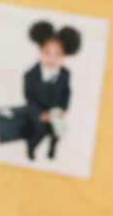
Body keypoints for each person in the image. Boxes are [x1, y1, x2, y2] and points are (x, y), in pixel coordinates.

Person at [24, 21, 82, 160]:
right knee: (38, 134)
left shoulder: (65, 73)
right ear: (39, 50)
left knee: (57, 133)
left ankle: (52, 147)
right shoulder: (30, 75)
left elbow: (67, 92)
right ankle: (31, 148)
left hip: (56, 115)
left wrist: (63, 109)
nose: (52, 58)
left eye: (58, 55)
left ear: (65, 56)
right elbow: (29, 97)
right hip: (40, 117)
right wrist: (40, 114)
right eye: (47, 53)